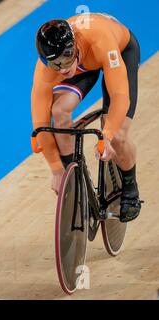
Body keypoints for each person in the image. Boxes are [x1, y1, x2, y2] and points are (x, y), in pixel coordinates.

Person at [31, 13, 142, 222]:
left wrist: (107, 135)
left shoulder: (100, 40)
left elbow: (120, 96)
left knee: (118, 135)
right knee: (58, 112)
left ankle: (130, 187)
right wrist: (56, 168)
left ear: (73, 46)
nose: (63, 69)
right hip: (83, 61)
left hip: (117, 51)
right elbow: (41, 124)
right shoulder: (49, 68)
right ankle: (74, 178)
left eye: (65, 58)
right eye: (55, 64)